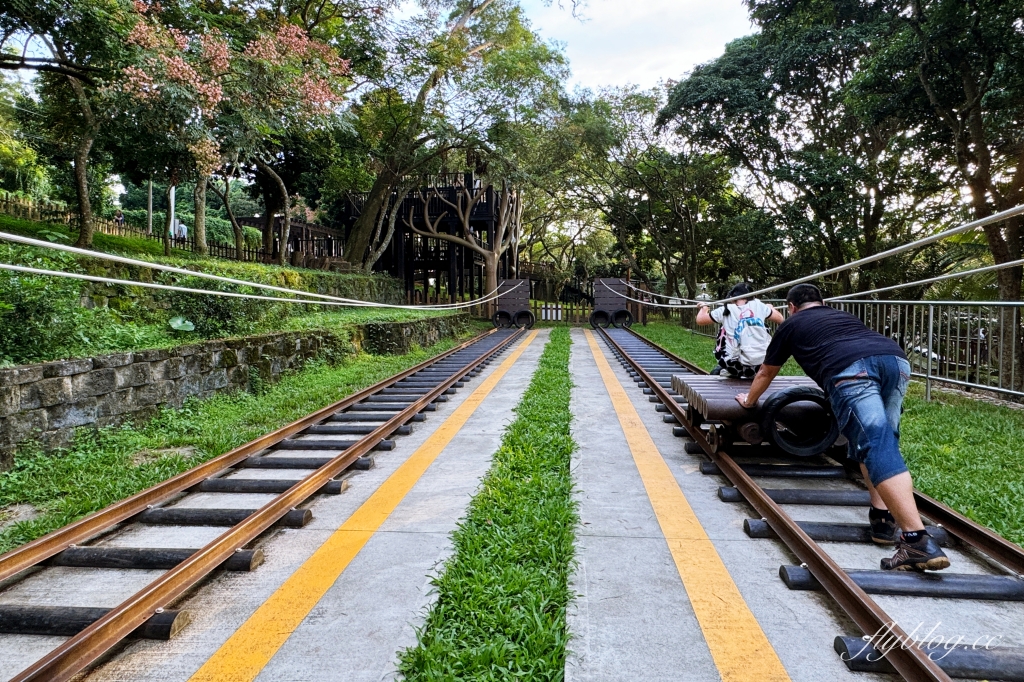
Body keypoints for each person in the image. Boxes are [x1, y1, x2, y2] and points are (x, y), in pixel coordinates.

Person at [735, 283, 949, 572]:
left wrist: (749, 400)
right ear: (822, 302)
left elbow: (766, 371)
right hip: (895, 360)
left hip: (850, 370)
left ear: (791, 307)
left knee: (875, 442)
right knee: (879, 441)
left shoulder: (792, 323)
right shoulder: (843, 316)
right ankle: (882, 519)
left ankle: (916, 539)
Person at [696, 282, 784, 379]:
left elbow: (700, 320)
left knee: (724, 328)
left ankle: (727, 366)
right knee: (763, 326)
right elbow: (780, 319)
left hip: (734, 366)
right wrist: (770, 308)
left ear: (732, 297)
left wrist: (704, 308)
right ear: (753, 296)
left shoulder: (726, 309)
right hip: (760, 366)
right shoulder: (760, 306)